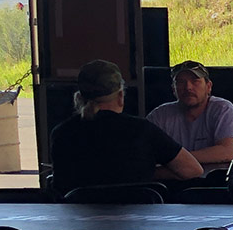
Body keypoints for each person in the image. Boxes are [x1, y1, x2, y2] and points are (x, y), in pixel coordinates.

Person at [49, 59, 203, 197]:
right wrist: (146, 173)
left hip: (77, 226)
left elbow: (60, 186)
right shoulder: (142, 130)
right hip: (138, 225)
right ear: (121, 96)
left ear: (79, 98)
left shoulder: (61, 133)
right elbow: (193, 170)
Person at [146, 60, 233, 165]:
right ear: (173, 89)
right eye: (180, 82)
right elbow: (143, 151)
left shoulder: (222, 109)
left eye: (195, 81)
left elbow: (226, 152)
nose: (188, 87)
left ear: (208, 86)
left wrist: (174, 159)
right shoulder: (159, 116)